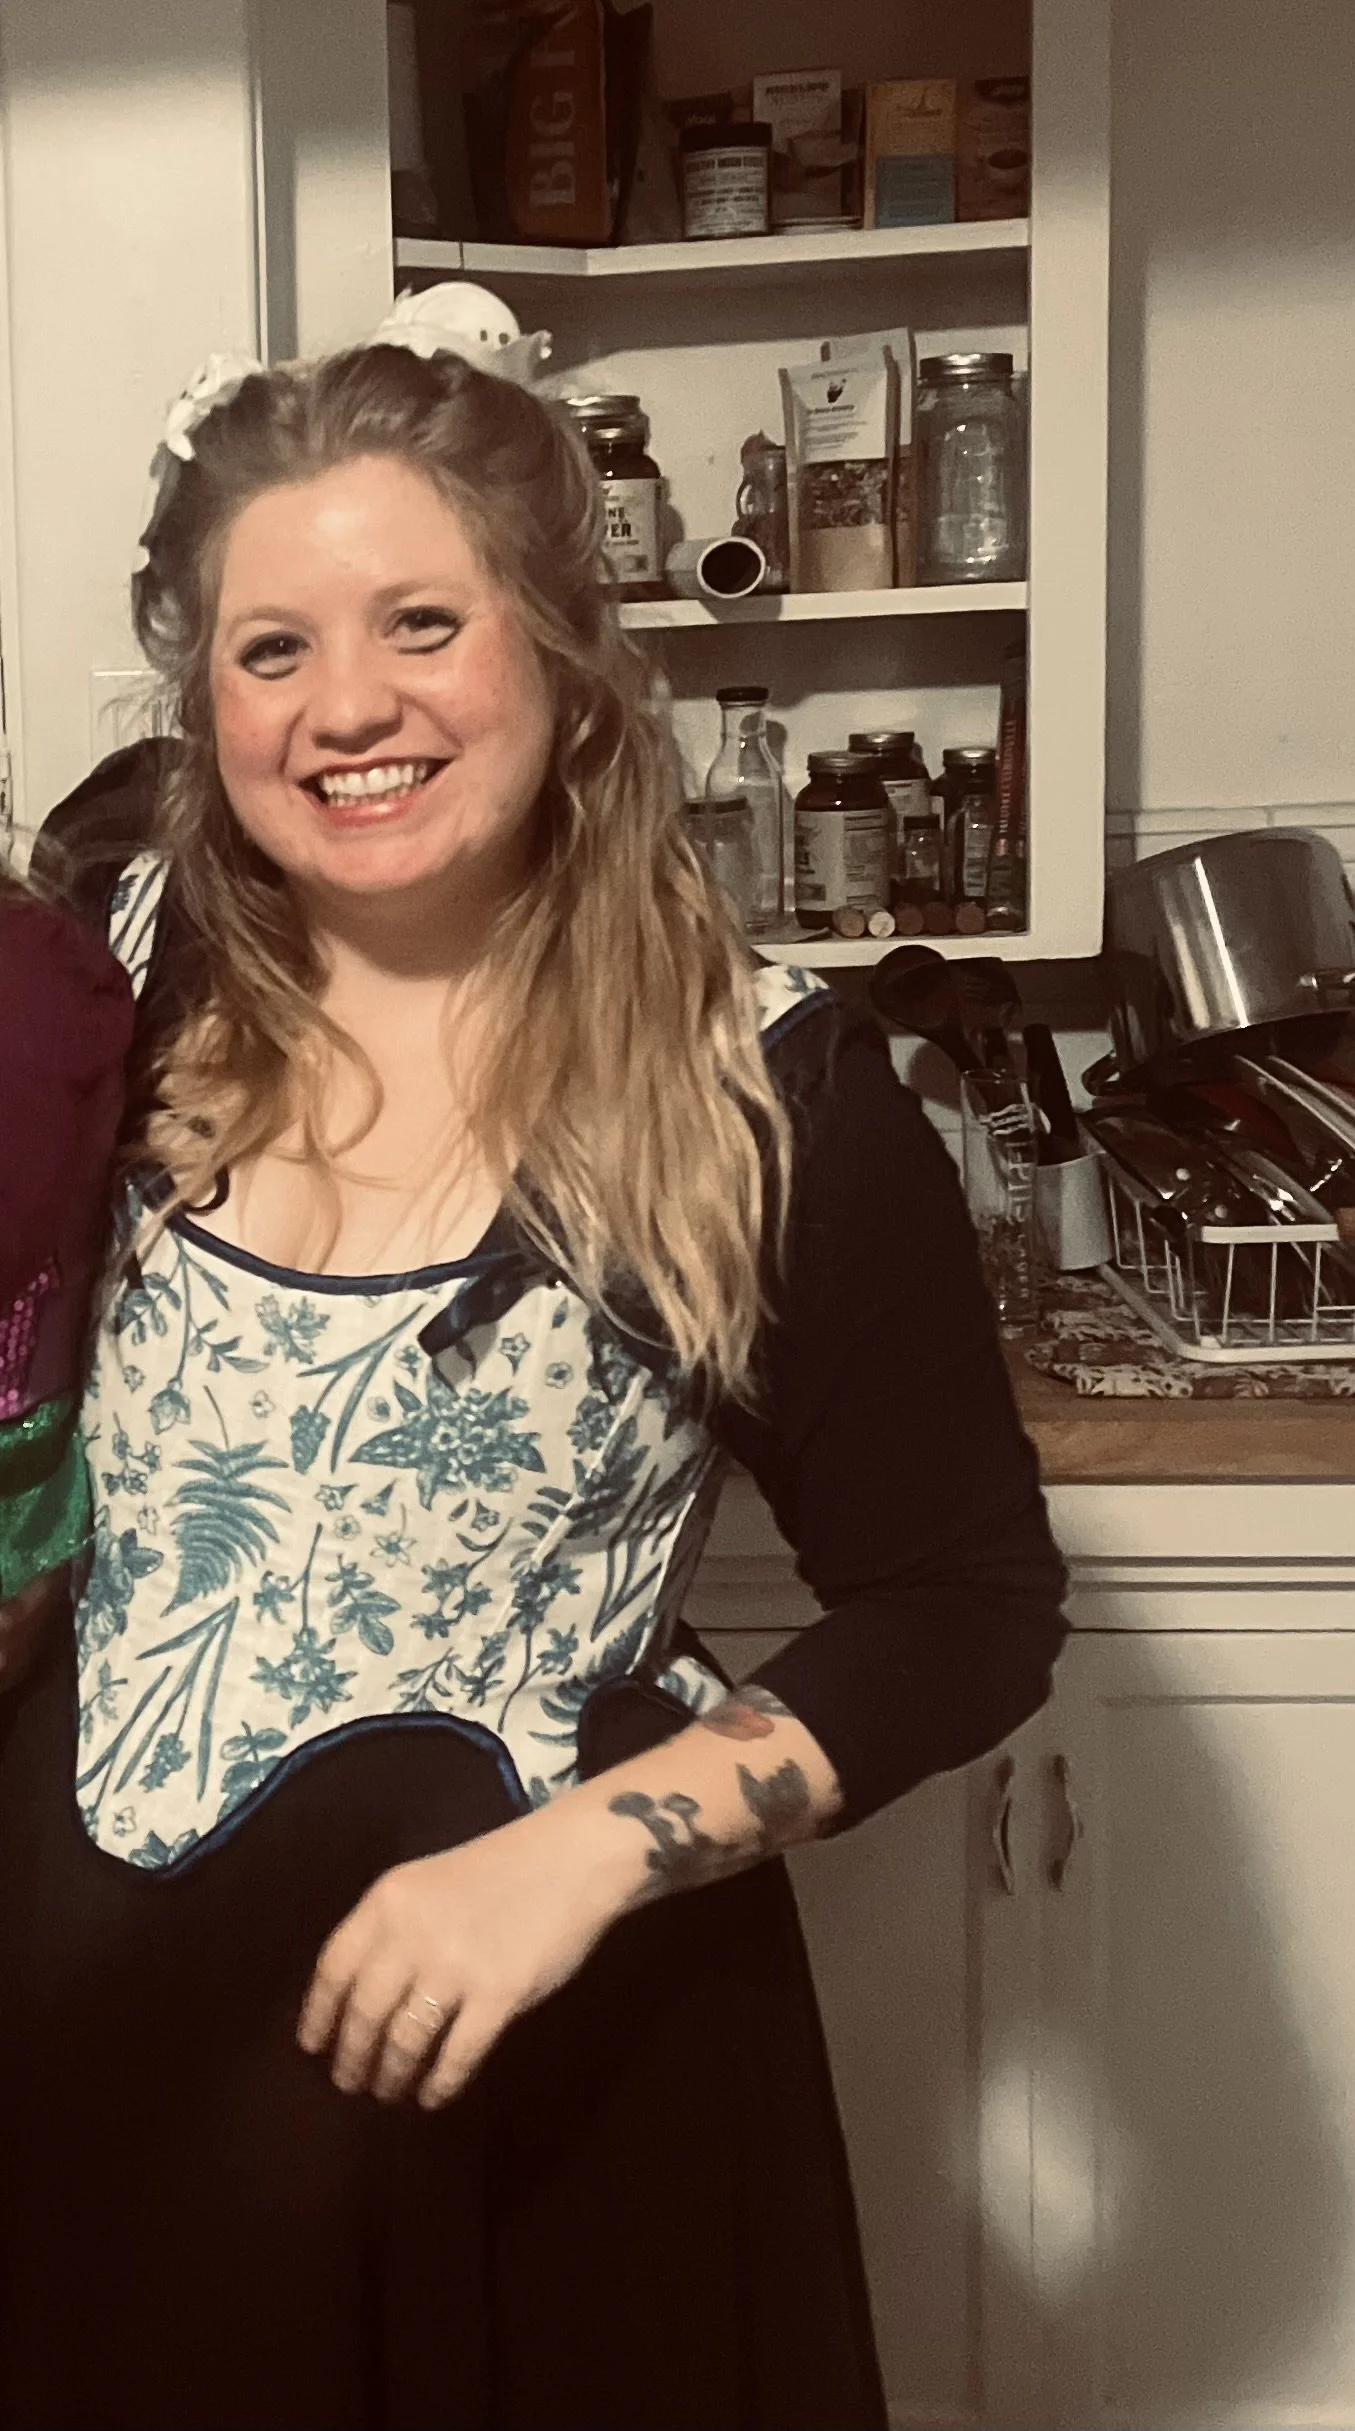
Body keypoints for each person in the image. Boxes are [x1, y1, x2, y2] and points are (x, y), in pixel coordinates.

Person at [0, 298, 1068, 2431]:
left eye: (420, 621)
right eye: (269, 648)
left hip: (522, 2097)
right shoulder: (124, 962)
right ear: (199, 696)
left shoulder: (764, 1089)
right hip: (92, 2062)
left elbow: (964, 1610)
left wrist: (585, 1853)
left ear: (566, 662)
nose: (347, 707)